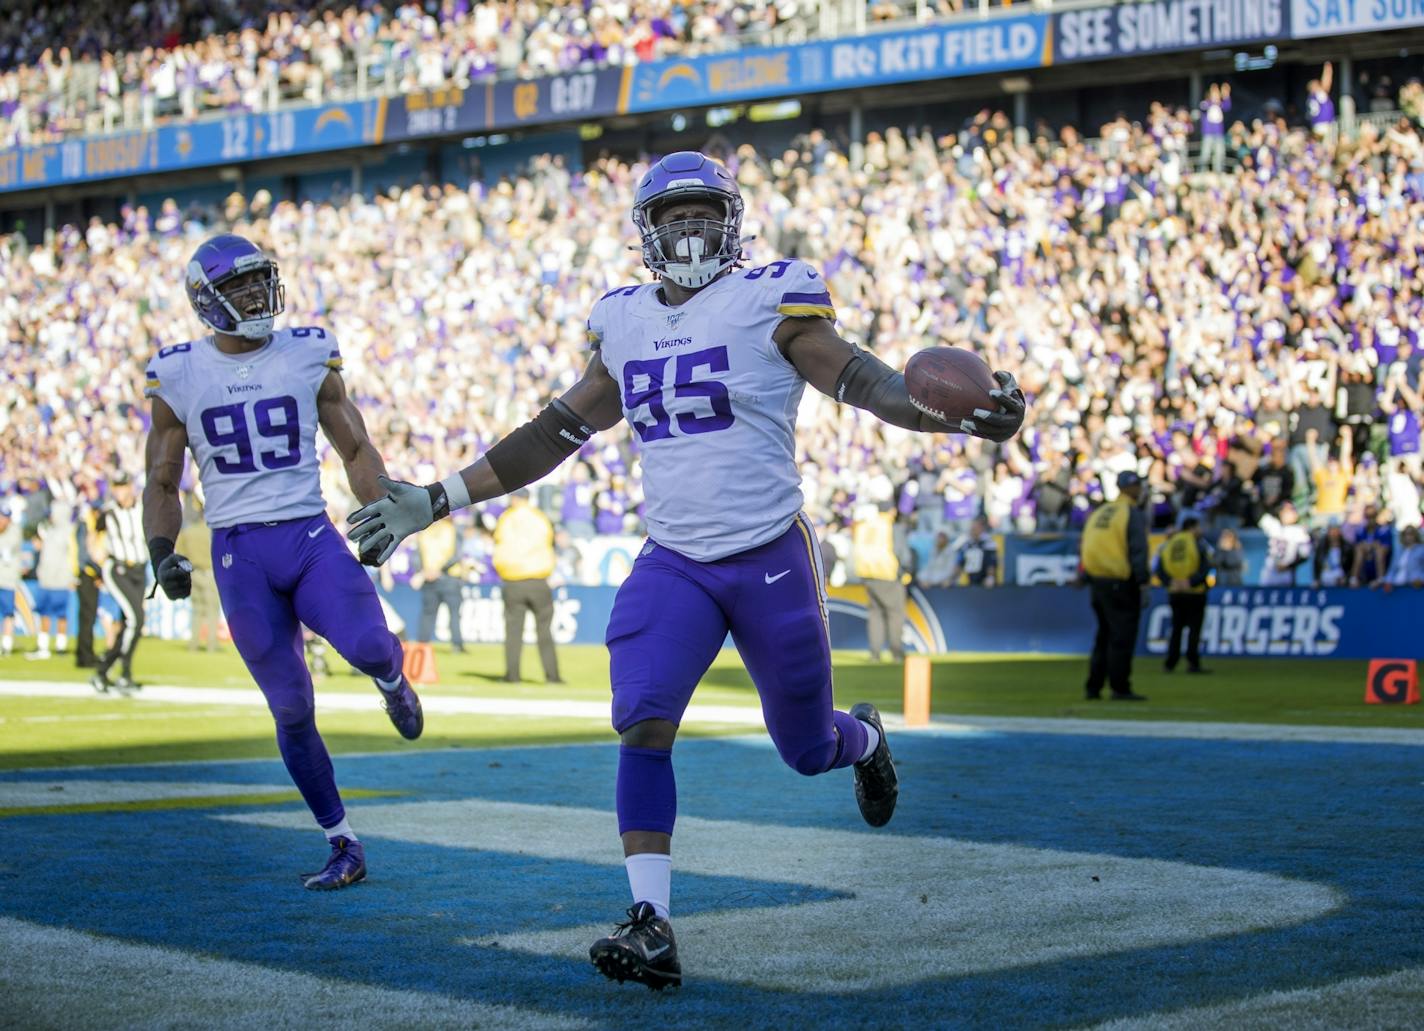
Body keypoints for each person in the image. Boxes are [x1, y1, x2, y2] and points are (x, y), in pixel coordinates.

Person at [346, 151, 1025, 990]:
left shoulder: (771, 301)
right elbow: (555, 430)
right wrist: (439, 497)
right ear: (647, 233)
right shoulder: (622, 321)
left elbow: (865, 381)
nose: (692, 230)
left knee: (806, 748)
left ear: (734, 224)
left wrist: (948, 417)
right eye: (675, 217)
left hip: (769, 552)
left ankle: (868, 739)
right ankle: (651, 921)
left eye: (707, 213)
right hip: (675, 559)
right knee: (642, 718)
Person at [141, 233, 425, 891]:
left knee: (369, 644)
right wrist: (162, 553)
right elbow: (161, 479)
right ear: (207, 300)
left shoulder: (306, 351)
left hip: (308, 535)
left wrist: (379, 508)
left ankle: (391, 680)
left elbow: (355, 447)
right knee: (291, 705)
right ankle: (342, 840)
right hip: (239, 552)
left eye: (260, 280)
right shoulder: (178, 371)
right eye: (239, 286)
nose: (256, 294)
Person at [1080, 470, 1150, 701]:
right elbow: (1138, 550)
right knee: (1121, 637)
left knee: (1103, 636)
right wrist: (1143, 582)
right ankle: (1120, 687)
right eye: (1138, 486)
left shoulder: (1101, 511)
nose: (1140, 490)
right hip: (1121, 583)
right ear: (1131, 488)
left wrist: (1085, 576)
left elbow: (1087, 546)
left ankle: (1094, 686)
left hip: (1098, 582)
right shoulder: (1130, 513)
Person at [492, 489, 561, 684]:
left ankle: (512, 676)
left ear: (514, 499)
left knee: (513, 632)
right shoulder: (540, 518)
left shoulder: (506, 518)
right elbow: (549, 541)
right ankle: (552, 676)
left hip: (513, 579)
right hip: (538, 579)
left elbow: (499, 544)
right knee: (545, 631)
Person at [90, 472, 147, 694]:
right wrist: (97, 562)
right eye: (116, 487)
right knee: (137, 619)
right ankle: (121, 672)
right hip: (119, 569)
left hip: (140, 570)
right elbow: (93, 538)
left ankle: (105, 672)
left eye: (123, 486)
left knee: (130, 624)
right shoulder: (108, 513)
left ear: (131, 487)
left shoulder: (143, 508)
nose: (120, 491)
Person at [851, 497, 908, 662]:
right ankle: (897, 653)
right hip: (888, 573)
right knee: (895, 614)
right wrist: (905, 570)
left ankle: (874, 654)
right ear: (891, 511)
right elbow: (902, 552)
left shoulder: (864, 525)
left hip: (867, 574)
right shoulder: (891, 526)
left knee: (875, 614)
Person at [1155, 514, 1213, 674]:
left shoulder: (1168, 543)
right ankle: (1193, 663)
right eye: (1198, 527)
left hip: (1175, 592)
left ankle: (1170, 663)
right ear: (1192, 528)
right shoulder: (1198, 543)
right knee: (1194, 629)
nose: (1200, 530)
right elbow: (1205, 567)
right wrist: (1191, 582)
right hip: (1194, 592)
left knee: (1176, 628)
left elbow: (1159, 568)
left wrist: (1171, 582)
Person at [414, 512, 466, 654]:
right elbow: (456, 555)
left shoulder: (425, 532)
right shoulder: (453, 530)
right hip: (449, 578)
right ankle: (457, 645)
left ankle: (422, 645)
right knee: (454, 614)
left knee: (428, 614)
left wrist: (425, 571)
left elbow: (416, 556)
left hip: (429, 577)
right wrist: (439, 570)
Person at [29, 501, 75, 658]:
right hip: (46, 578)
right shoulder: (47, 530)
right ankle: (43, 645)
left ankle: (60, 646)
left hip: (61, 579)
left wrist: (71, 576)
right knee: (44, 612)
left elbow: (72, 557)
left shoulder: (69, 532)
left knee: (61, 614)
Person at [175, 489, 219, 651]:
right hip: (209, 573)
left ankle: (193, 643)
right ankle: (211, 644)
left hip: (193, 573)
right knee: (212, 610)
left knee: (197, 610)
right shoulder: (213, 533)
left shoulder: (187, 532)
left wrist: (189, 570)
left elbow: (179, 554)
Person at [1258, 501, 1312, 587]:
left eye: (1288, 511)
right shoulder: (1274, 525)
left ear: (1295, 514)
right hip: (1269, 571)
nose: (1285, 514)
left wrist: (1288, 566)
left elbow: (1304, 556)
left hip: (1286, 573)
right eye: (1284, 511)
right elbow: (1259, 514)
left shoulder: (1299, 531)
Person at [950, 517, 998, 587]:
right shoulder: (967, 544)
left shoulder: (989, 543)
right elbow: (960, 562)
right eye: (972, 528)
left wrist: (990, 578)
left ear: (981, 528)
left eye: (975, 528)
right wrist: (952, 579)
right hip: (972, 581)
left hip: (985, 581)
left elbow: (991, 563)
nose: (973, 530)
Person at [1377, 525, 1424, 590]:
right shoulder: (1398, 551)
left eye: (1411, 534)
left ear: (1415, 535)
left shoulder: (1421, 550)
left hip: (1413, 587)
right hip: (1396, 586)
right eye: (1406, 534)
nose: (1408, 537)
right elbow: (1392, 570)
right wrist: (1383, 581)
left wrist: (1421, 580)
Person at [0, 503, 20, 656]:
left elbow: (5, 549)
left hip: (7, 580)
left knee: (8, 613)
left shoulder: (14, 532)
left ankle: (6, 645)